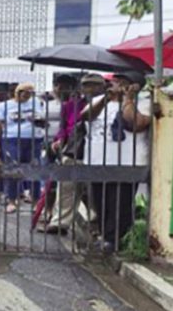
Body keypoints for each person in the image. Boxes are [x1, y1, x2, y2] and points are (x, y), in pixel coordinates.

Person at [81, 71, 151, 253]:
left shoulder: (144, 103)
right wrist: (106, 99)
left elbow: (134, 123)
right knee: (100, 201)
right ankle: (105, 235)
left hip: (127, 163)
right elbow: (85, 117)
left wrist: (128, 98)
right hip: (97, 162)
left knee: (120, 203)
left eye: (121, 82)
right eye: (114, 81)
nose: (115, 84)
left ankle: (115, 240)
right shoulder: (99, 102)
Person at [39, 74, 105, 235]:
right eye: (87, 85)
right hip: (73, 149)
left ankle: (97, 223)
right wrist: (59, 140)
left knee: (94, 191)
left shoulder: (107, 104)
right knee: (66, 188)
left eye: (94, 85)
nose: (90, 89)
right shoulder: (71, 105)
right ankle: (60, 222)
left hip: (99, 151)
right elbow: (64, 128)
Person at [0, 83, 46, 213]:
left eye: (30, 93)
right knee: (12, 169)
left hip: (34, 139)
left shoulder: (36, 102)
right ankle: (11, 200)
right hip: (11, 139)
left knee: (34, 169)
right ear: (17, 92)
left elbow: (43, 120)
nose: (27, 95)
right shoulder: (4, 106)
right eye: (24, 92)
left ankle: (35, 200)